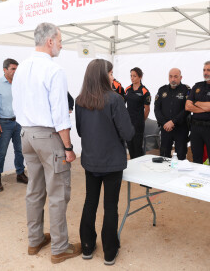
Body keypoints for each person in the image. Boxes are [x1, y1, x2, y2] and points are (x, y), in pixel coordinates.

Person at [12, 22, 81, 264]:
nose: (62, 44)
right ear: (50, 41)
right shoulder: (54, 70)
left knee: (34, 190)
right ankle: (60, 247)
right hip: (48, 136)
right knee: (58, 192)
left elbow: (17, 105)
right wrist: (69, 148)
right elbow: (60, 114)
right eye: (60, 40)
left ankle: (35, 240)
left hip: (26, 134)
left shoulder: (20, 69)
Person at [76, 59, 134, 265]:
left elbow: (81, 130)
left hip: (91, 160)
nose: (113, 77)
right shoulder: (115, 99)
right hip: (111, 162)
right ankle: (109, 251)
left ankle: (87, 246)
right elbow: (128, 132)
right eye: (110, 73)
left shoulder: (80, 100)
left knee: (90, 202)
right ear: (102, 75)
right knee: (110, 206)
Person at [0, 58, 27, 192]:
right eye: (13, 69)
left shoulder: (19, 83)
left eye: (17, 69)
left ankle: (20, 173)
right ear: (5, 70)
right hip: (3, 123)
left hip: (18, 122)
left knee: (20, 150)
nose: (15, 71)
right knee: (1, 152)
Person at [154, 68, 191, 159]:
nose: (173, 79)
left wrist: (173, 122)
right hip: (166, 128)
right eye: (170, 76)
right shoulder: (162, 90)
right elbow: (157, 109)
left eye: (175, 76)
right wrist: (164, 123)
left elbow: (187, 109)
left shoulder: (186, 90)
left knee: (180, 156)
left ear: (180, 77)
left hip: (181, 128)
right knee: (164, 156)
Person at [125, 67, 151, 158]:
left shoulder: (145, 91)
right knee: (130, 147)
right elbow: (123, 105)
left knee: (137, 149)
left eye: (134, 76)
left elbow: (147, 109)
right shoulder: (127, 89)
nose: (132, 78)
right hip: (128, 123)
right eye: (131, 76)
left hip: (138, 124)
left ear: (140, 77)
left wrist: (141, 120)